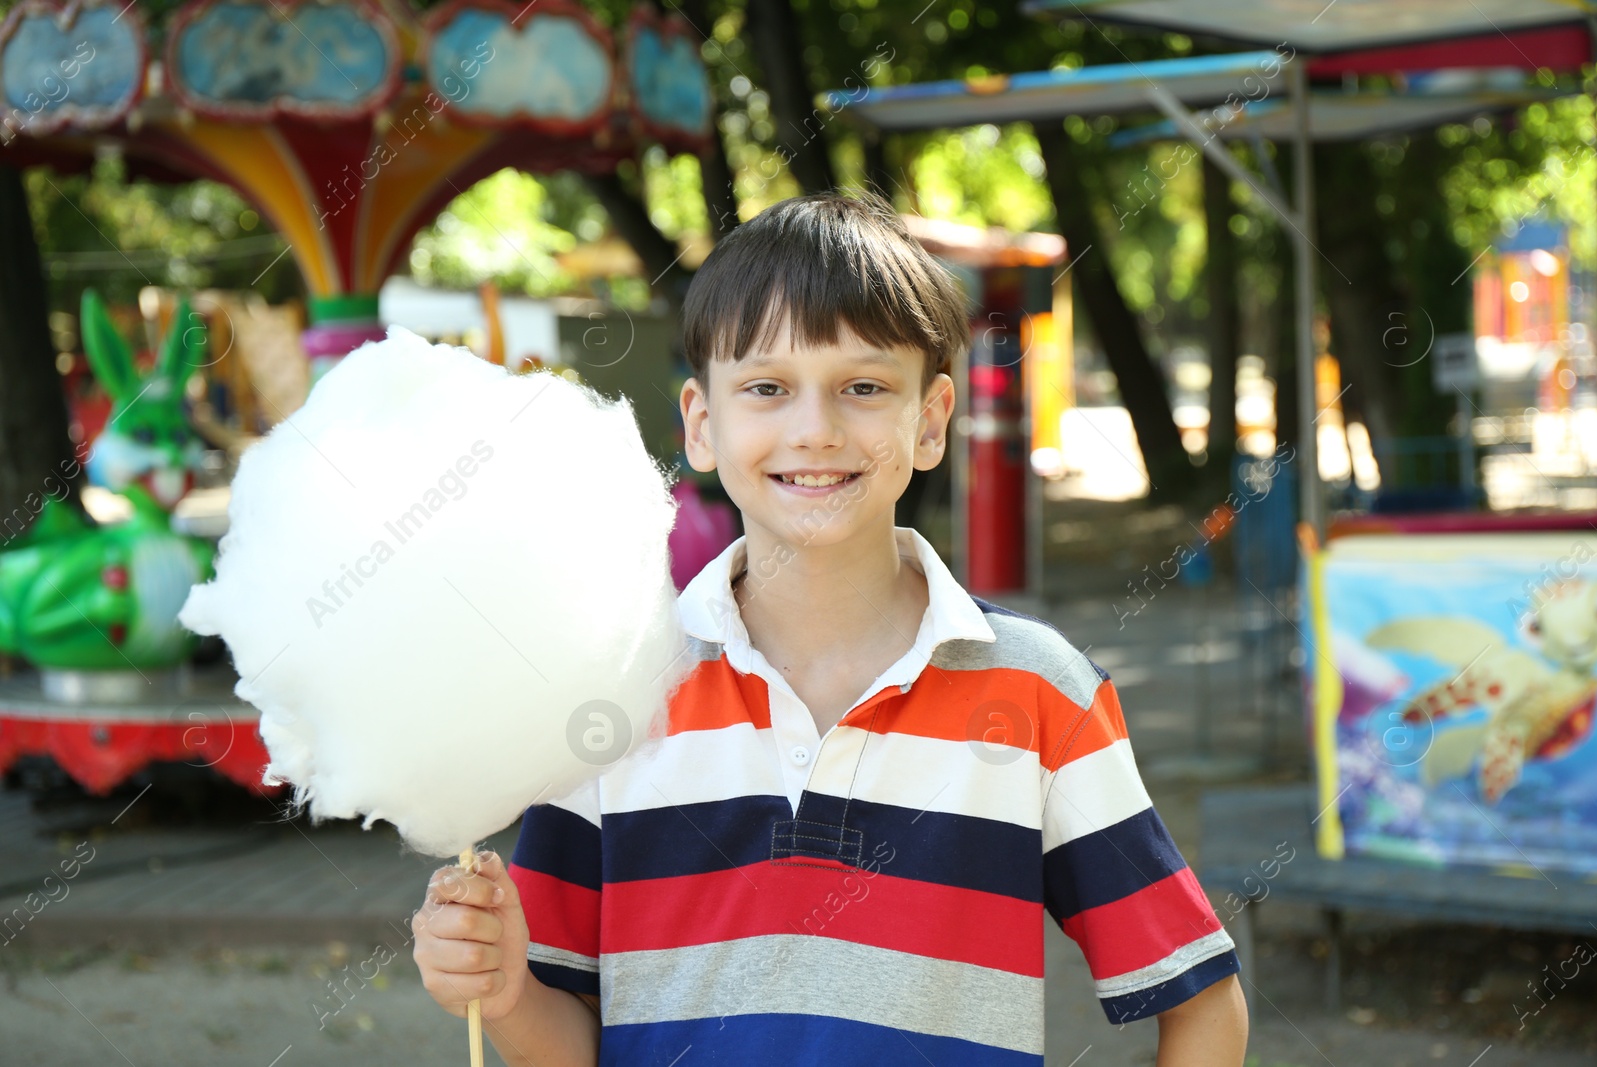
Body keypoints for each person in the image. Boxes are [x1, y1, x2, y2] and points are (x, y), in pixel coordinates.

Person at [412, 190, 1250, 1066]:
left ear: (928, 421)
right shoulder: (615, 691)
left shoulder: (1039, 691)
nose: (815, 430)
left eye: (863, 386)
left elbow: (1201, 1003)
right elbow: (568, 1041)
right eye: (767, 388)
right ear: (702, 423)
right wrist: (504, 994)